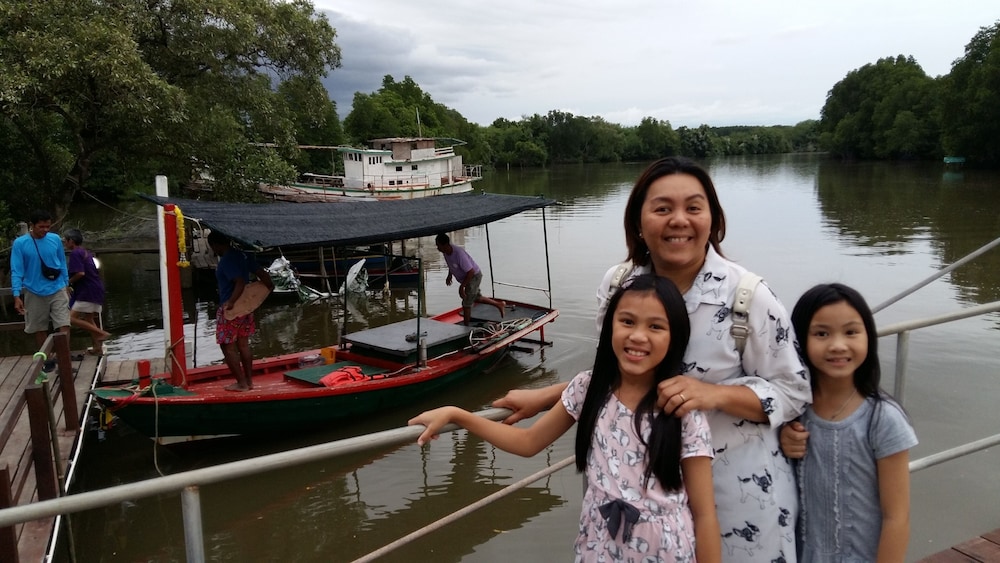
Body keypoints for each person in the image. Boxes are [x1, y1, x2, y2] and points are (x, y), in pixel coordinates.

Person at [492, 156, 811, 561]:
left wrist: (712, 394)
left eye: (693, 207)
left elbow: (794, 391)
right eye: (662, 208)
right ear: (638, 223)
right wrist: (552, 395)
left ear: (713, 221)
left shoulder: (747, 297)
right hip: (637, 506)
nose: (679, 220)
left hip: (735, 495)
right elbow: (622, 373)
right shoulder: (618, 285)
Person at [410, 275, 721, 562]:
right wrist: (459, 415)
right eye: (627, 321)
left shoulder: (682, 409)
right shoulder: (589, 389)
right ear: (610, 327)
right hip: (600, 545)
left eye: (656, 327)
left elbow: (705, 514)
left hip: (666, 551)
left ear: (675, 337)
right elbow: (528, 442)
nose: (638, 336)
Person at [780, 283, 917, 562]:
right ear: (800, 339)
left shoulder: (883, 419)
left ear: (868, 337)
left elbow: (897, 517)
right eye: (821, 333)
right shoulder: (792, 410)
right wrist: (782, 435)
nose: (838, 345)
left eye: (851, 332)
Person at [207, 230, 274, 391]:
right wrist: (267, 289)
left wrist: (231, 302)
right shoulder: (243, 255)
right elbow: (262, 274)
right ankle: (249, 382)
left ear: (215, 245)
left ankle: (241, 383)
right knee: (243, 345)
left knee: (227, 346)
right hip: (245, 309)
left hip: (231, 309)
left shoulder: (226, 261)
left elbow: (239, 282)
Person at [10, 210, 71, 349]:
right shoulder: (20, 243)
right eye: (41, 227)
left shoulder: (55, 239)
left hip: (57, 287)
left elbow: (62, 262)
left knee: (64, 323)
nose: (45, 230)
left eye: (47, 226)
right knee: (39, 328)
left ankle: (64, 357)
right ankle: (45, 358)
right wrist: (16, 295)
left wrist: (66, 283)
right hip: (34, 290)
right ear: (32, 225)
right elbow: (17, 270)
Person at [434, 233, 505, 325]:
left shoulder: (458, 254)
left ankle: (466, 326)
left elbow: (471, 271)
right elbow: (451, 264)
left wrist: (462, 287)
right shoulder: (445, 252)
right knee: (476, 297)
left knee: (466, 302)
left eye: (438, 245)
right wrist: (449, 275)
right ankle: (499, 304)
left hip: (473, 276)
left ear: (445, 245)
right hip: (467, 277)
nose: (437, 248)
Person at [63, 228, 111, 355]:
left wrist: (69, 282)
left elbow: (80, 273)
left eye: (66, 241)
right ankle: (98, 348)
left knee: (70, 318)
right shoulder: (86, 252)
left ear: (71, 241)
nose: (65, 243)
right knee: (89, 319)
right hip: (96, 288)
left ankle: (102, 333)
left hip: (87, 291)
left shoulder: (75, 253)